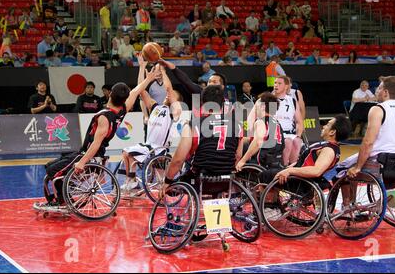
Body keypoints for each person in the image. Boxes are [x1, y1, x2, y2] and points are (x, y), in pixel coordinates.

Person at [35, 65, 163, 210]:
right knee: (49, 167)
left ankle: (63, 201)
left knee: (53, 173)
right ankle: (63, 195)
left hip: (90, 156)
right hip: (86, 153)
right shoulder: (122, 110)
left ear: (110, 94)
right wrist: (148, 76)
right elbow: (136, 91)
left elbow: (96, 144)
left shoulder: (104, 117)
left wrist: (82, 162)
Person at [345, 76, 395, 208]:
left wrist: (358, 167)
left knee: (343, 168)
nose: (377, 91)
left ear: (386, 92)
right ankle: (391, 197)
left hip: (378, 163)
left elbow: (368, 142)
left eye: (379, 88)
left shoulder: (378, 109)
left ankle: (349, 205)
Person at [159, 85, 244, 199]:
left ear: (203, 103)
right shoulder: (238, 125)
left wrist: (167, 181)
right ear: (223, 103)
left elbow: (178, 160)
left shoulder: (193, 125)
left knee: (176, 182)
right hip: (226, 181)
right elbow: (238, 156)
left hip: (200, 180)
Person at [120, 66, 182, 192]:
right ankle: (131, 180)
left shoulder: (174, 111)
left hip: (159, 149)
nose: (168, 95)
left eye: (171, 96)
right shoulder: (155, 107)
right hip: (149, 147)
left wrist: (163, 72)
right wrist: (142, 68)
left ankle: (132, 180)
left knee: (129, 153)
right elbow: (141, 90)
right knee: (126, 153)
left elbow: (169, 89)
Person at [236, 92, 284, 171]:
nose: (255, 108)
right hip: (275, 163)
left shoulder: (261, 122)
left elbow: (258, 142)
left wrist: (242, 160)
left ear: (263, 106)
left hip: (261, 164)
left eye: (256, 105)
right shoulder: (277, 123)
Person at [274, 76, 304, 166]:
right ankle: (283, 167)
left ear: (286, 86)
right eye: (275, 83)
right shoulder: (270, 99)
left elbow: (299, 121)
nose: (276, 85)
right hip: (275, 133)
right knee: (288, 142)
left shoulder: (292, 101)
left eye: (279, 83)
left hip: (289, 133)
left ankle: (291, 168)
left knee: (297, 141)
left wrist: (298, 135)